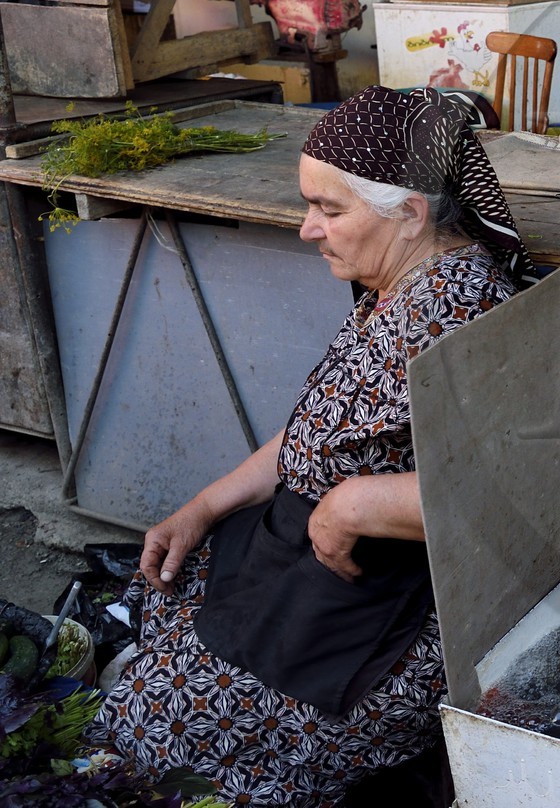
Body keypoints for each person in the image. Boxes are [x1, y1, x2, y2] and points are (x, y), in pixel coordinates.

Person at [90, 86, 536, 805]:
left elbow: (515, 493)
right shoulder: (399, 285)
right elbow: (322, 434)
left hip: (383, 609)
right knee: (162, 615)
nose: (307, 230)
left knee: (159, 730)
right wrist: (203, 506)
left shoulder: (460, 315)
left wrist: (355, 505)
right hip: (307, 560)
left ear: (411, 213)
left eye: (329, 209)